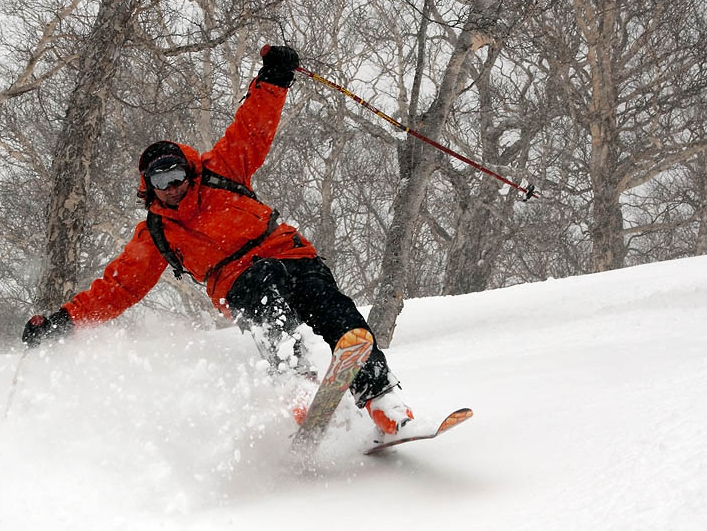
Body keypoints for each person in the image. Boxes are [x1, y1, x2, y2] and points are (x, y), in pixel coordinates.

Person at [23, 45, 414, 436]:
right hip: (239, 282)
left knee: (337, 314)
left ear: (188, 170)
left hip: (289, 256)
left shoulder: (222, 169)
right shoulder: (156, 234)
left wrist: (274, 77)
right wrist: (62, 322)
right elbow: (118, 288)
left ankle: (384, 402)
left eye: (176, 176)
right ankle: (297, 383)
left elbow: (253, 125)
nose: (172, 188)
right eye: (161, 182)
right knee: (262, 301)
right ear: (149, 187)